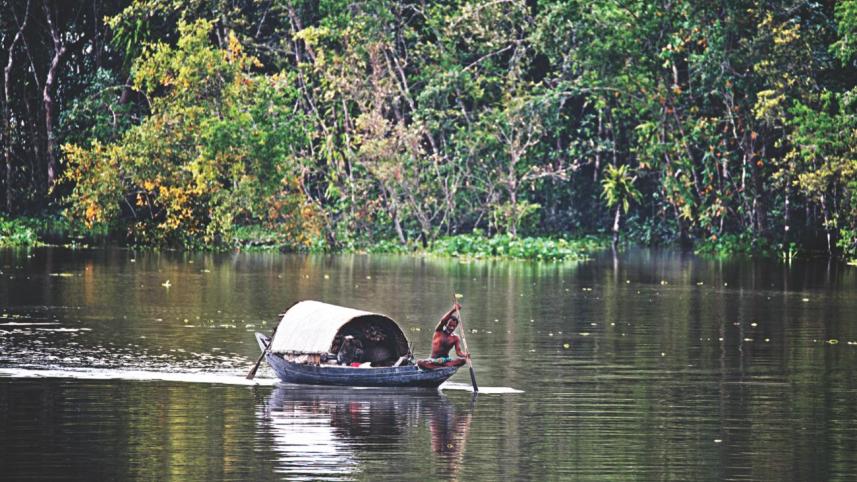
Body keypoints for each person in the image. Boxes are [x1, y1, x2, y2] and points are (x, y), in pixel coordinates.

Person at [417, 303, 470, 370]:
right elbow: (442, 321)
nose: (451, 328)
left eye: (453, 326)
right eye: (450, 325)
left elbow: (458, 352)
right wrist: (453, 310)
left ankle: (439, 368)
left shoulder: (455, 338)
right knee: (420, 362)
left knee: (462, 361)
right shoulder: (438, 331)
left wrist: (465, 355)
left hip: (445, 361)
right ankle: (439, 368)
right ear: (445, 324)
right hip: (433, 360)